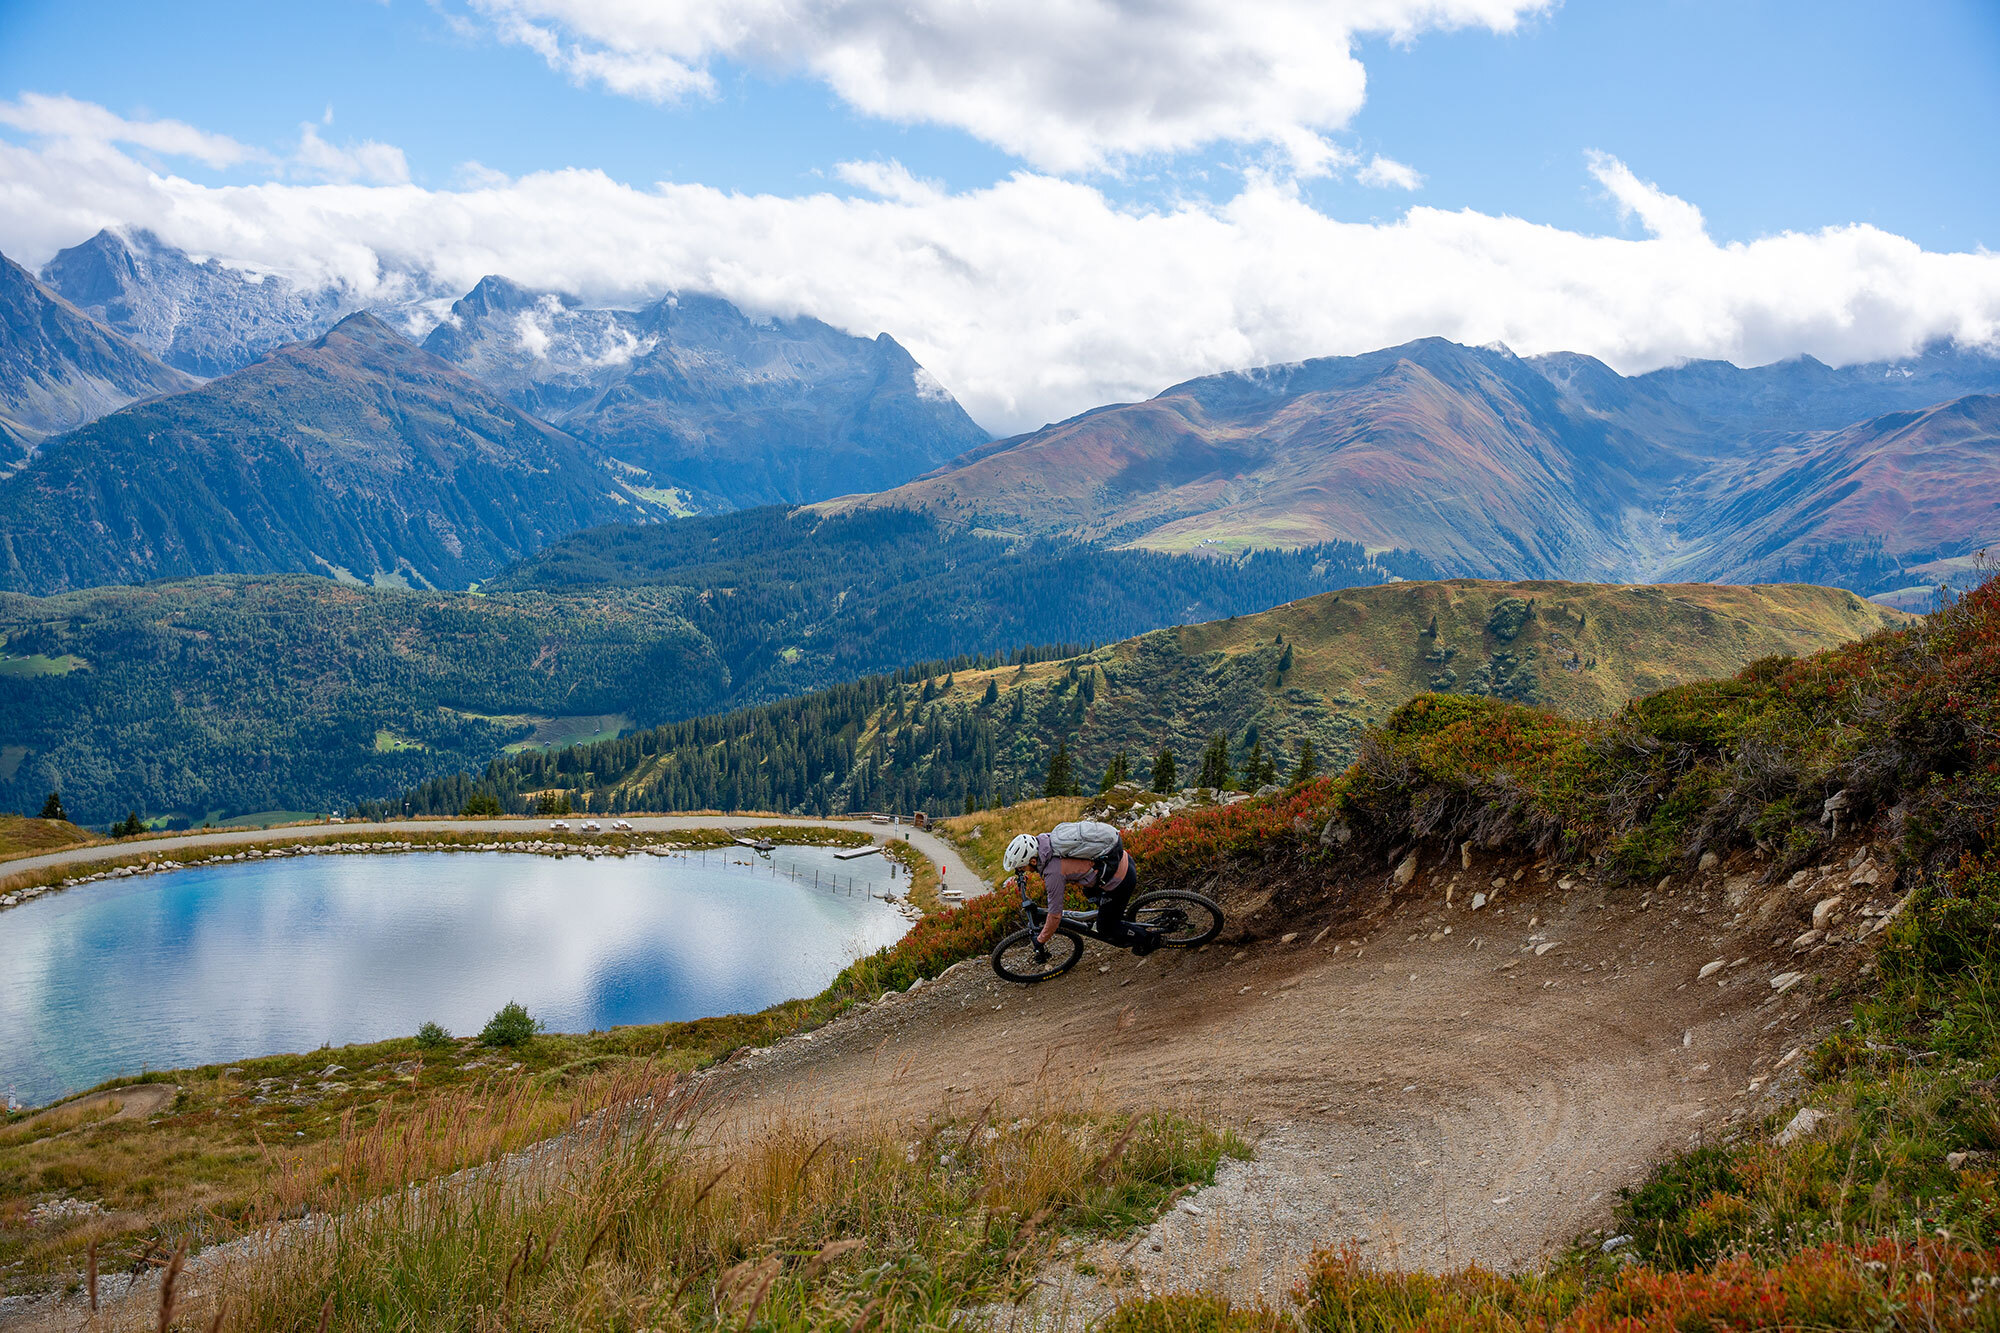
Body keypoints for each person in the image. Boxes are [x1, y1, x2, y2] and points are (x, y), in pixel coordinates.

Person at [1002, 830, 1159, 954]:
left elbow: (1055, 916)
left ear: (1033, 861)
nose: (1022, 871)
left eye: (1022, 867)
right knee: (1089, 892)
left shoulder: (1053, 872)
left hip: (1120, 880)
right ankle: (1111, 913)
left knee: (1106, 928)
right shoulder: (1049, 841)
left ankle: (1150, 940)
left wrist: (1040, 940)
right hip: (1121, 858)